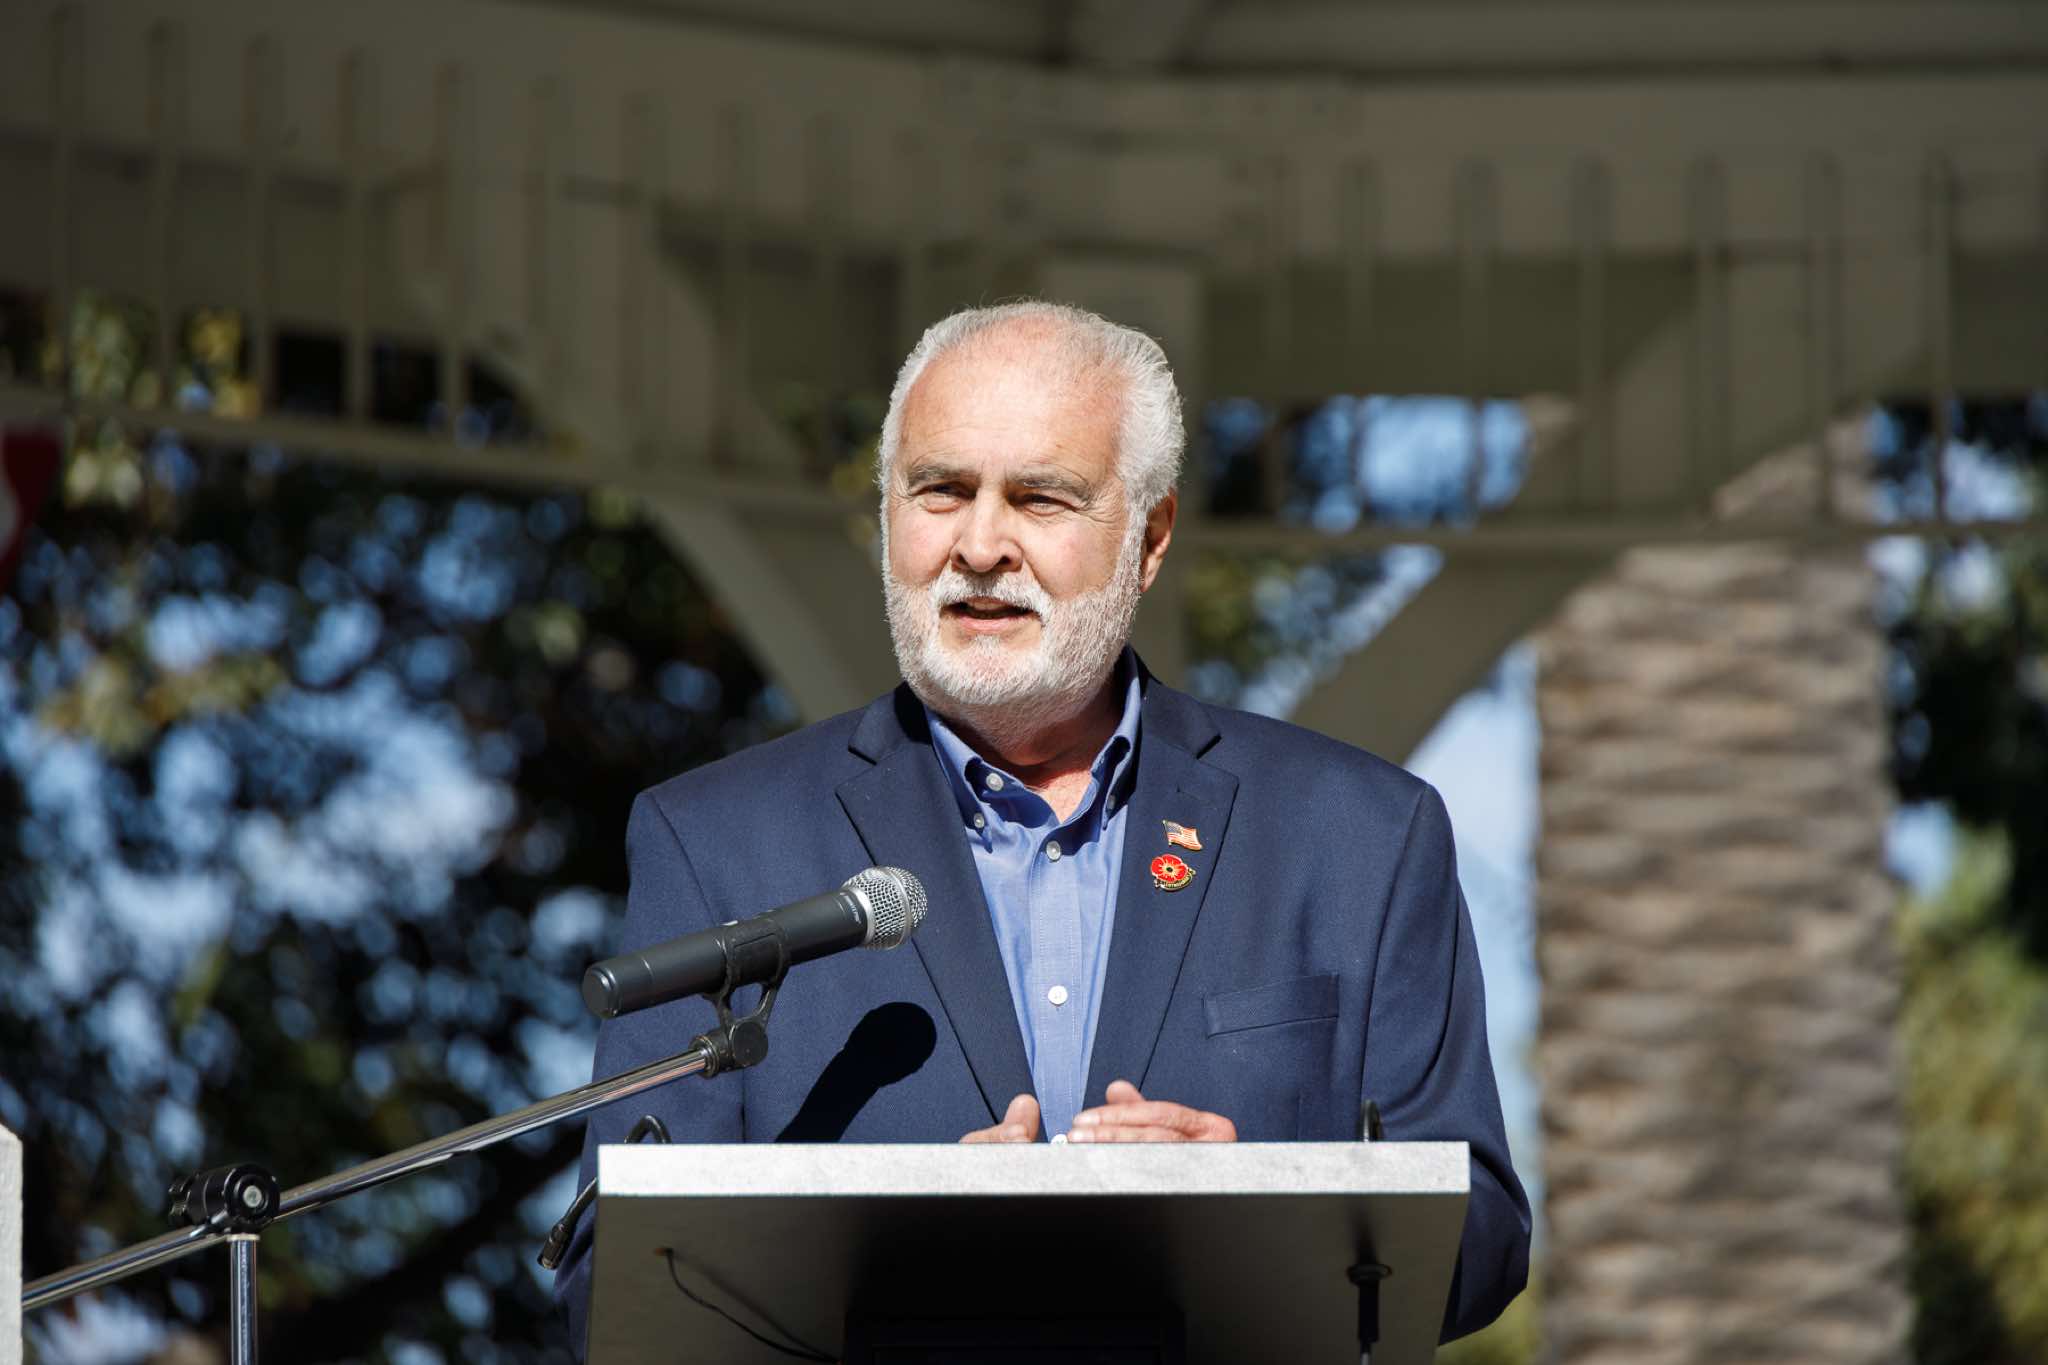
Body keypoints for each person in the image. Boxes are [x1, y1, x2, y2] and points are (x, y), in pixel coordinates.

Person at [553, 301, 1529, 1350]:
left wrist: (1259, 1208)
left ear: (1149, 538)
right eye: (939, 491)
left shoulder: (1360, 834)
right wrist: (914, 1246)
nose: (980, 545)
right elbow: (611, 1278)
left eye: (1039, 497)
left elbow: (1477, 1234)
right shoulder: (715, 841)